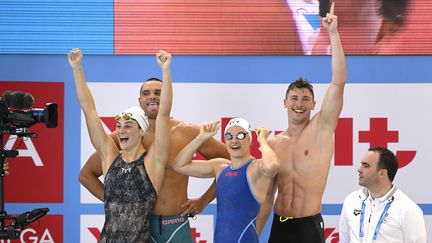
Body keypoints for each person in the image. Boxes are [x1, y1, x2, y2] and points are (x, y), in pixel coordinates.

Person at [79, 80, 229, 241]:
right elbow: (86, 175)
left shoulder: (188, 132)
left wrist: (204, 200)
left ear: (166, 97)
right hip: (139, 226)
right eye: (146, 93)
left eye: (158, 93)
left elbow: (231, 166)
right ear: (140, 101)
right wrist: (118, 201)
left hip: (175, 224)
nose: (152, 97)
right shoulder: (124, 136)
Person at [256, 3, 347, 242]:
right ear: (284, 102)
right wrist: (253, 235)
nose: (299, 103)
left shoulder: (321, 129)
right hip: (280, 224)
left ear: (314, 105)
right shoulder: (275, 144)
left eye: (305, 99)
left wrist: (333, 34)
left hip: (308, 225)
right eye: (294, 98)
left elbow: (338, 83)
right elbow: (267, 198)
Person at [68, 48, 173, 242]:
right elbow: (89, 109)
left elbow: (164, 114)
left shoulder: (153, 162)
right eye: (118, 126)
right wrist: (77, 70)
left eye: (128, 126)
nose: (120, 131)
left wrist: (166, 71)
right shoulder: (109, 157)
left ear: (142, 130)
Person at [173, 118, 280, 243]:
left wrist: (262, 140)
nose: (234, 140)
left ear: (249, 139)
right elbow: (179, 165)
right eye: (229, 136)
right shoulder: (219, 167)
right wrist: (201, 138)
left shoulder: (255, 168)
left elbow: (272, 165)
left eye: (240, 135)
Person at [339, 147, 427, 243]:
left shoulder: (408, 209)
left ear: (382, 173)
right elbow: (344, 240)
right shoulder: (351, 200)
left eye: (366, 165)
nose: (359, 170)